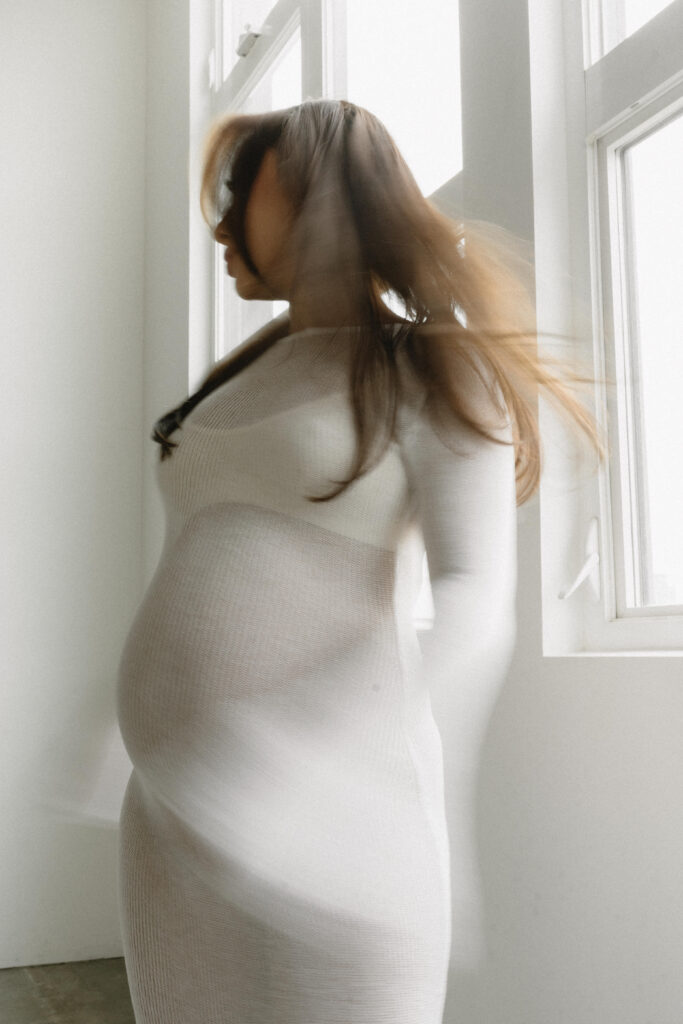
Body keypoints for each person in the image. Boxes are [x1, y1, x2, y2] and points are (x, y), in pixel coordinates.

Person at [116, 98, 605, 1023]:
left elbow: (473, 595)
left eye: (238, 194)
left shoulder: (429, 368)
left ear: (312, 193)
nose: (218, 224)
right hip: (173, 817)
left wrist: (297, 750)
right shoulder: (245, 373)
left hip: (336, 820)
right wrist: (121, 737)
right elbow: (199, 572)